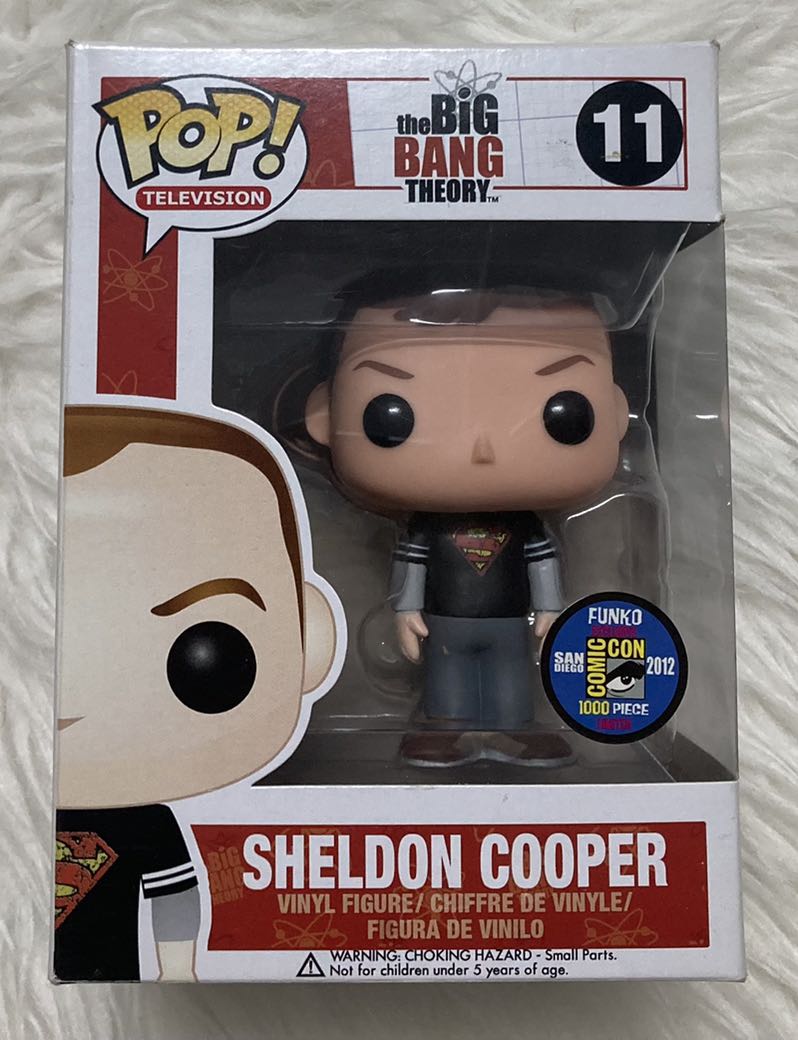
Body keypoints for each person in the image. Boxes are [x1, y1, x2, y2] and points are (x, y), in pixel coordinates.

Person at [54, 407, 339, 981]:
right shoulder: (24, 808)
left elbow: (175, 899)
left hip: (114, 975)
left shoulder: (147, 824)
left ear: (309, 640)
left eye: (205, 656)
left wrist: (180, 969)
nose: (76, 702)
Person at [305, 282, 628, 766]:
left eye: (565, 415)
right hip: (446, 622)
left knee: (510, 678)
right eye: (391, 417)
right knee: (447, 679)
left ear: (618, 414)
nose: (482, 449)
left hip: (508, 621)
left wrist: (549, 608)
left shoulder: (526, 526)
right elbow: (412, 566)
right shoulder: (426, 529)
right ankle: (446, 728)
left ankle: (513, 728)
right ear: (326, 417)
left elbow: (542, 562)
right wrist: (406, 610)